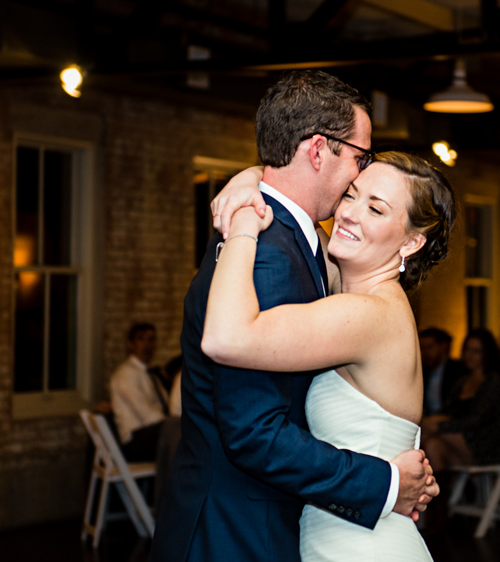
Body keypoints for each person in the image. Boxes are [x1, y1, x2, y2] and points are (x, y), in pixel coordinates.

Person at [152, 72, 438, 562]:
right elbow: (252, 431)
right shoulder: (267, 250)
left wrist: (248, 183)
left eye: (375, 204)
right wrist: (386, 482)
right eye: (360, 157)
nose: (358, 175)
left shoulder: (286, 239)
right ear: (319, 150)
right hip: (235, 534)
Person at [201, 150, 454, 561]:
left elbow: (225, 338)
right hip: (342, 535)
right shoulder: (351, 283)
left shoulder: (371, 314)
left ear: (411, 241)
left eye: (375, 208)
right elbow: (286, 194)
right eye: (351, 194)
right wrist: (245, 180)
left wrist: (243, 225)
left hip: (364, 548)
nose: (350, 214)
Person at [421, 329, 500, 470]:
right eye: (467, 349)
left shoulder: (494, 382)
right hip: (463, 440)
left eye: (476, 351)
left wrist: (436, 426)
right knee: (432, 445)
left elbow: (477, 420)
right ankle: (440, 491)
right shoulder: (462, 381)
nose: (469, 355)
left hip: (488, 444)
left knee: (432, 430)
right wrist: (430, 422)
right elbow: (447, 411)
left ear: (486, 354)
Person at [109, 322, 168, 462]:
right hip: (134, 442)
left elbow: (165, 406)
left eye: (151, 339)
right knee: (181, 434)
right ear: (130, 344)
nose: (147, 344)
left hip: (150, 435)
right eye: (141, 339)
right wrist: (174, 425)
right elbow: (146, 415)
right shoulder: (125, 374)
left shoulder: (150, 373)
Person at [420, 327, 467, 417]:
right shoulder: (422, 372)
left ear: (442, 347)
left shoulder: (457, 370)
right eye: (422, 348)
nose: (425, 353)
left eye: (430, 347)